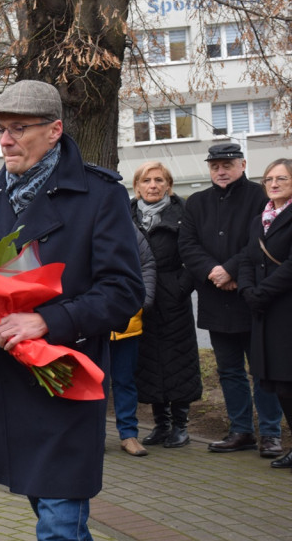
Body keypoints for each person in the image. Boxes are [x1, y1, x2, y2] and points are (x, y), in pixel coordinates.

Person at [0, 80, 143, 541]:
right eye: (1, 130)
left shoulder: (99, 194)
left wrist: (48, 322)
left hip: (64, 376)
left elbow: (125, 291)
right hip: (7, 382)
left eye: (19, 128)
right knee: (54, 516)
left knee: (57, 531)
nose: (4, 140)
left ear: (55, 130)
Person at [178, 143, 284, 458]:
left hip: (252, 297)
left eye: (227, 165)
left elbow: (262, 241)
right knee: (229, 370)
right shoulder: (196, 202)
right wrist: (213, 272)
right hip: (215, 297)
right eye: (215, 166)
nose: (221, 171)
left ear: (242, 164)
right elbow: (187, 244)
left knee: (263, 369)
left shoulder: (260, 197)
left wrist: (231, 270)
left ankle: (270, 434)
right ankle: (241, 431)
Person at [130, 161, 201, 451]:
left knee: (178, 361)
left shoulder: (183, 213)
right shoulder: (125, 214)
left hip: (173, 298)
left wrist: (180, 287)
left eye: (159, 180)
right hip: (140, 299)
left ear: (169, 186)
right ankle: (161, 424)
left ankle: (181, 426)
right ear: (137, 187)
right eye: (147, 180)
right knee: (148, 362)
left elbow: (196, 253)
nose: (153, 185)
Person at [238, 158, 292, 470]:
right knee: (276, 382)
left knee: (288, 382)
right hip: (264, 311)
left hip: (285, 309)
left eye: (281, 179)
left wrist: (262, 291)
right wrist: (247, 290)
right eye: (269, 179)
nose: (273, 184)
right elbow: (247, 257)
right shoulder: (261, 218)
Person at [110, 228, 156, 457]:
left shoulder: (130, 230)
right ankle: (91, 435)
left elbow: (146, 265)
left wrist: (143, 300)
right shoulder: (81, 222)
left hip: (127, 321)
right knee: (91, 383)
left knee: (125, 381)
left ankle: (129, 435)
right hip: (90, 323)